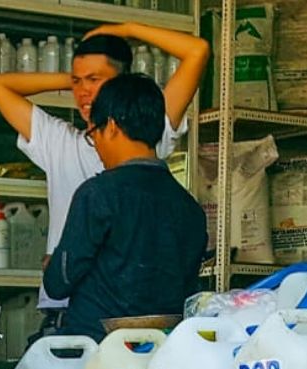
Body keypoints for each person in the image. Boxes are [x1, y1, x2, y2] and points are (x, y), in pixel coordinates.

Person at [0, 23, 209, 336]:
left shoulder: (148, 131)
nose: (84, 91)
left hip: (113, 319)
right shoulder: (61, 141)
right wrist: (76, 80)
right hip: (68, 313)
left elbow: (197, 51)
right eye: (77, 81)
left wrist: (127, 28)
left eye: (95, 79)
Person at [44, 73, 207, 342]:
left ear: (111, 126)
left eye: (92, 133)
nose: (95, 144)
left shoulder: (98, 195)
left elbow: (58, 283)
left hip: (97, 355)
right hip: (164, 353)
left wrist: (53, 265)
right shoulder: (189, 209)